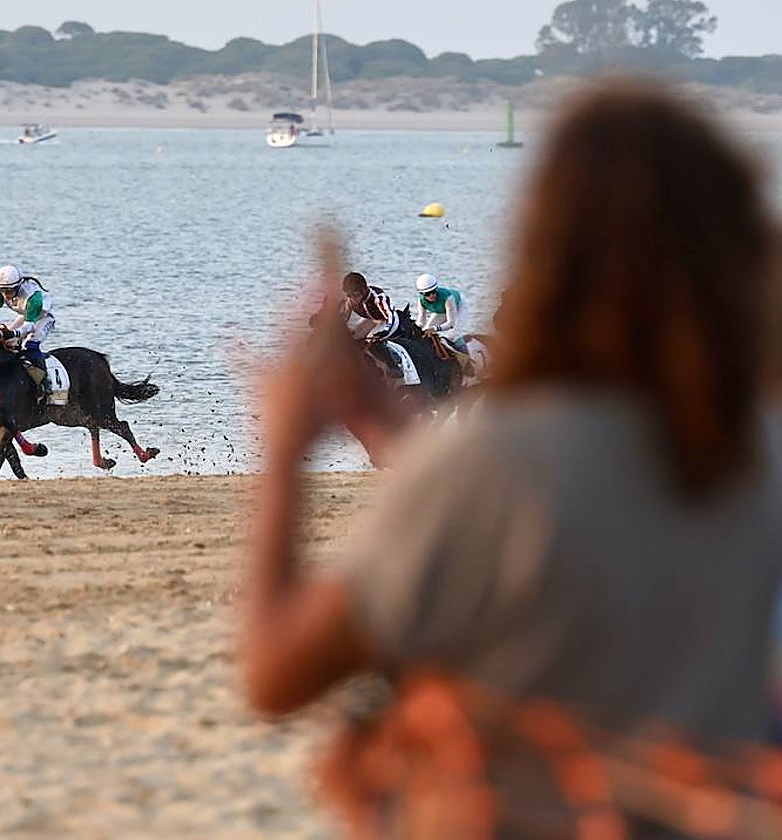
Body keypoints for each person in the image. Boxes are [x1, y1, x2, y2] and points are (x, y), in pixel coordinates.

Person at [243, 81, 782, 840]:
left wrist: (285, 453)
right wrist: (404, 442)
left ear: (545, 247)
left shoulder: (498, 461)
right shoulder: (761, 448)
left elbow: (276, 672)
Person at [0, 264, 56, 399]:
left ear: (18, 286)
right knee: (6, 343)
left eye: (9, 290)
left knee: (30, 345)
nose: (5, 294)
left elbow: (30, 327)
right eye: (3, 290)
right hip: (26, 316)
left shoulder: (33, 298)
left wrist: (14, 334)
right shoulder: (2, 291)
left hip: (42, 318)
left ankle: (45, 384)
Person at [413, 272, 468, 342]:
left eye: (433, 291)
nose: (431, 295)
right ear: (421, 294)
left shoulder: (448, 298)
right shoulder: (421, 301)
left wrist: (435, 328)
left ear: (437, 289)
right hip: (440, 310)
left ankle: (464, 351)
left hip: (458, 306)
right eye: (427, 294)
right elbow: (421, 322)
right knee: (426, 331)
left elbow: (451, 324)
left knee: (453, 336)